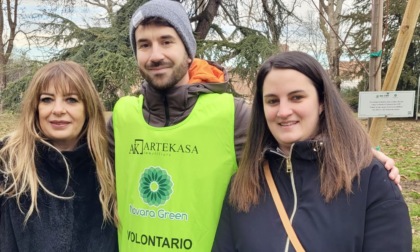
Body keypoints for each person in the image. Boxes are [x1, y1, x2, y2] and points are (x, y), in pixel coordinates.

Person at [109, 1, 401, 251]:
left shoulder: (230, 114)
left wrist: (364, 152)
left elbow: (290, 136)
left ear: (188, 51)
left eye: (166, 41)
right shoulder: (121, 116)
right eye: (144, 45)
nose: (155, 54)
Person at [212, 51, 412, 252]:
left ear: (321, 102)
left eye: (296, 97)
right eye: (272, 101)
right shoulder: (243, 185)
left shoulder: (369, 180)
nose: (283, 111)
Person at [0, 61, 118, 252]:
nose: (58, 110)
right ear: (35, 107)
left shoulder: (110, 167)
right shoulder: (9, 166)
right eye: (47, 99)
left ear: (88, 107)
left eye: (71, 99)